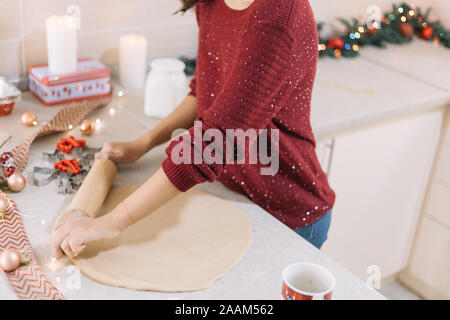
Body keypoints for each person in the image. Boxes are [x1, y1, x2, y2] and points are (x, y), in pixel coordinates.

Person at [51, 0, 335, 259]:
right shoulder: (211, 3)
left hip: (286, 214)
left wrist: (111, 223)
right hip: (236, 196)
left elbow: (214, 142)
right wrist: (143, 144)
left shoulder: (277, 17)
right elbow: (206, 91)